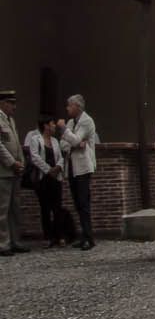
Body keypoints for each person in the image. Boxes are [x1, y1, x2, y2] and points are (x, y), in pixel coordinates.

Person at [60, 94, 97, 250]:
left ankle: (89, 237)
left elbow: (74, 139)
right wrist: (74, 143)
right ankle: (83, 235)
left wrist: (65, 132)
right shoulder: (70, 122)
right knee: (77, 202)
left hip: (83, 167)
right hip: (72, 167)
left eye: (69, 105)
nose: (67, 108)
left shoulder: (86, 121)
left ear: (77, 106)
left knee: (83, 202)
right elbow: (63, 144)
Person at [24, 115, 69, 246]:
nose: (54, 126)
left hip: (56, 178)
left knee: (57, 207)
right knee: (45, 208)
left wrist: (58, 167)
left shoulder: (55, 141)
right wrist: (49, 170)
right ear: (46, 126)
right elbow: (35, 157)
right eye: (52, 124)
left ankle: (60, 236)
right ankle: (48, 237)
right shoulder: (35, 139)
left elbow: (61, 156)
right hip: (43, 178)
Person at [0, 89, 26, 256]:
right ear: (3, 103)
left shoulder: (11, 120)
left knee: (15, 208)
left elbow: (16, 143)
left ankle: (15, 241)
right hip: (3, 171)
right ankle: (3, 244)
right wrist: (12, 163)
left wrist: (21, 162)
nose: (14, 107)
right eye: (12, 103)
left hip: (15, 171)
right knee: (3, 209)